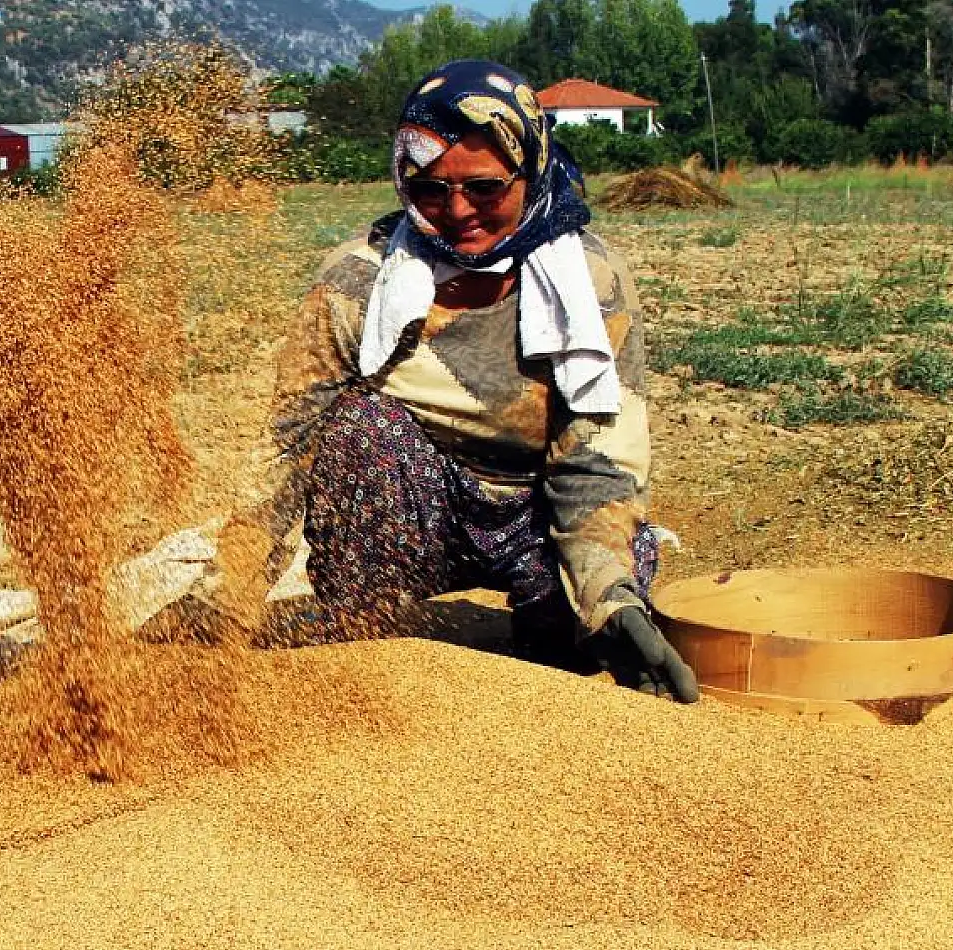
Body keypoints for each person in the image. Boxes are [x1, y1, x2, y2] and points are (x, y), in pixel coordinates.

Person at [253, 60, 698, 701]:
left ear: (531, 166)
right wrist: (229, 592)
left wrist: (609, 600)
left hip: (536, 514)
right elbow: (285, 445)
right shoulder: (360, 278)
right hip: (417, 508)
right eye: (430, 190)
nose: (459, 212)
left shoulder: (591, 282)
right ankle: (371, 652)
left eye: (486, 188)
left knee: (581, 638)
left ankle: (558, 624)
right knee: (358, 427)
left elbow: (597, 466)